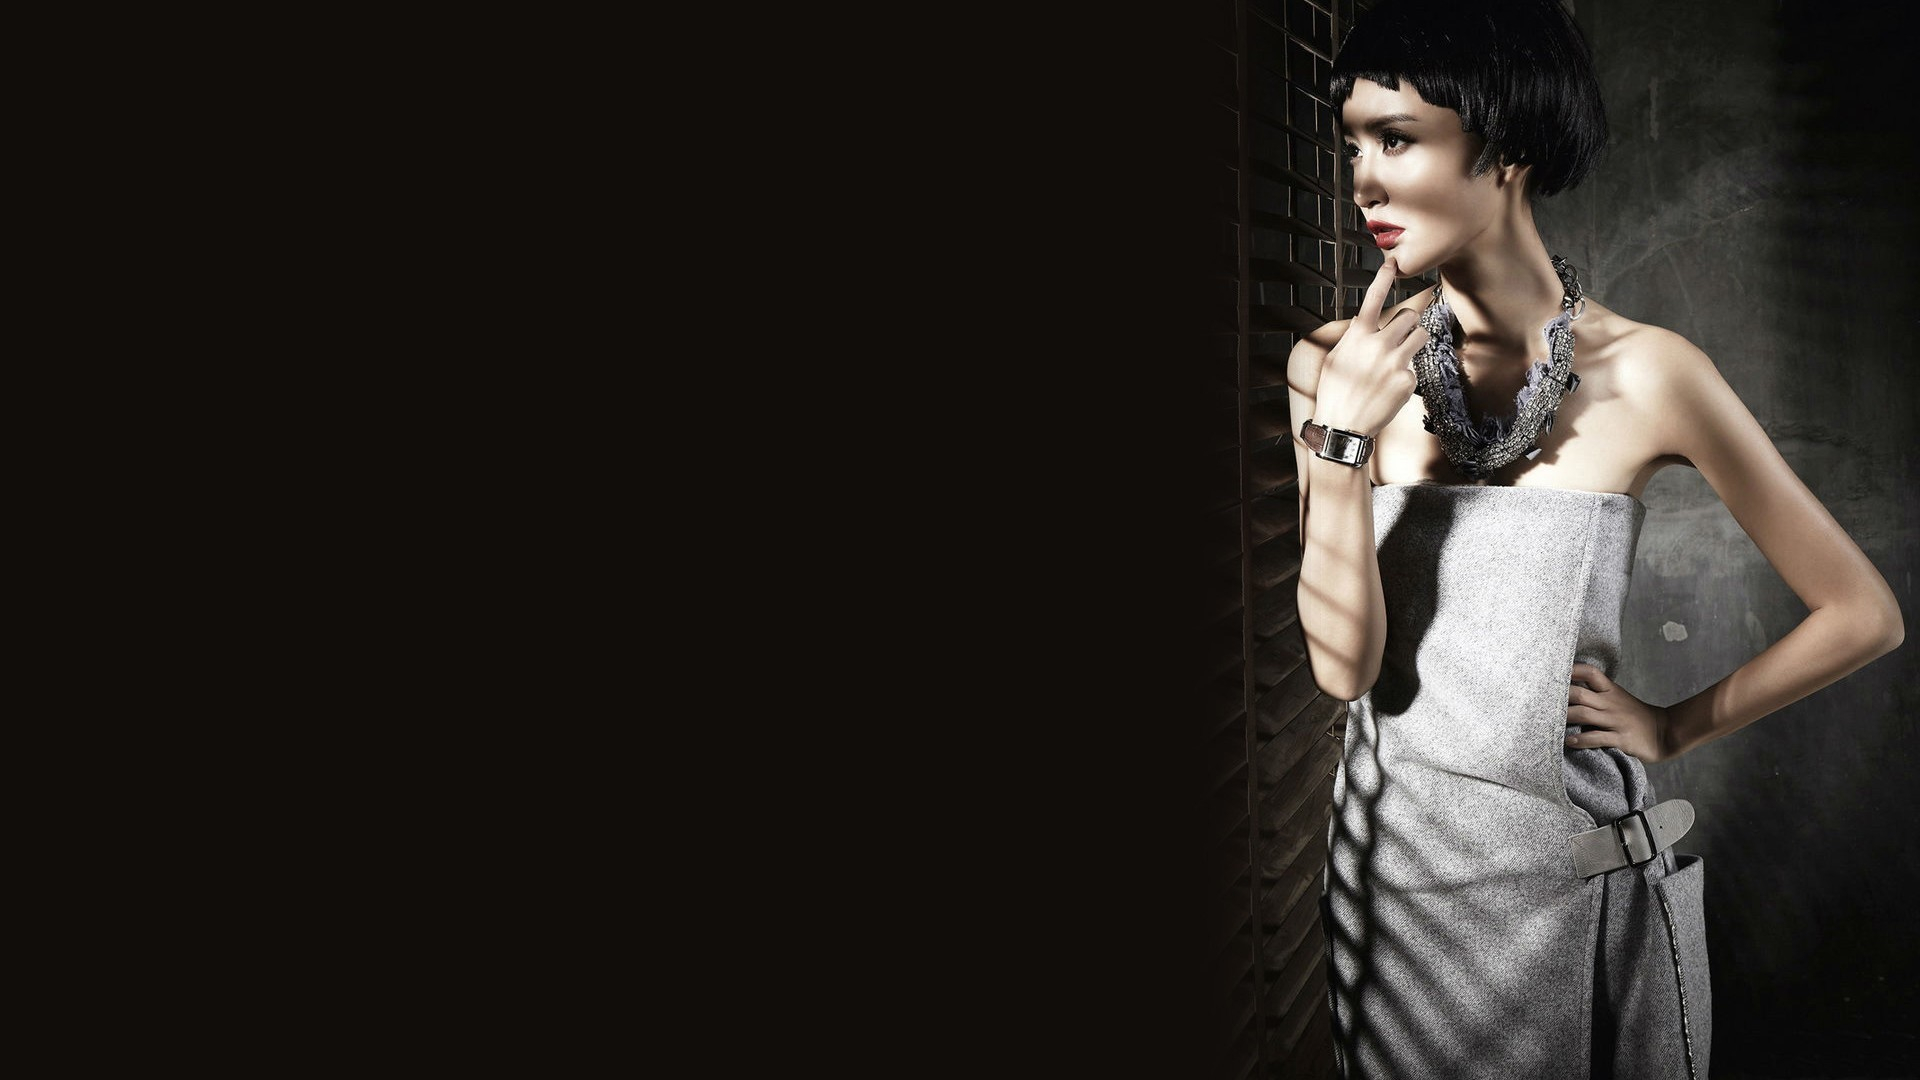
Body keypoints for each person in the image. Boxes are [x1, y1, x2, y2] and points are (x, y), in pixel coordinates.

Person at [1288, 0, 1905, 1076]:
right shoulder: (1335, 368)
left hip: (1572, 888)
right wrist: (1342, 439)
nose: (1365, 183)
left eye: (1398, 139)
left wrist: (1671, 727)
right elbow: (1344, 669)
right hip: (1394, 901)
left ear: (1507, 149)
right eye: (1352, 146)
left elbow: (1864, 613)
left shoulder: (1651, 373)